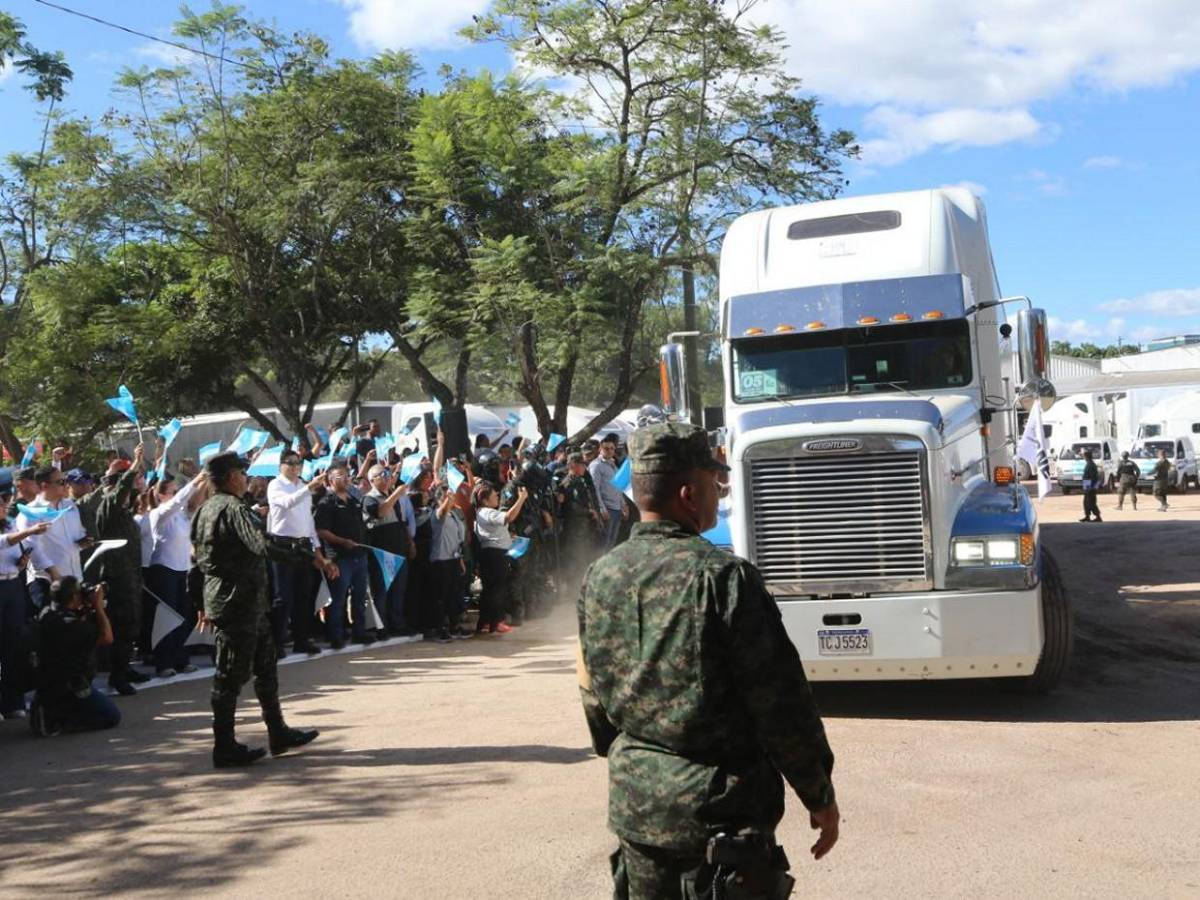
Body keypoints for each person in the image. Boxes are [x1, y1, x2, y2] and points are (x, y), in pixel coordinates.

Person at [577, 422, 838, 900]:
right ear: (687, 494)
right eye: (712, 483)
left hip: (639, 812)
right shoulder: (724, 578)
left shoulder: (600, 575)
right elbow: (779, 701)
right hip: (719, 816)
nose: (718, 493)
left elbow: (591, 691)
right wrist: (817, 792)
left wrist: (639, 762)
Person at [191, 451, 322, 768]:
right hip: (239, 603)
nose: (247, 478)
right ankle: (224, 746)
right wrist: (307, 556)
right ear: (231, 477)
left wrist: (200, 603)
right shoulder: (235, 509)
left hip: (237, 601)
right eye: (242, 473)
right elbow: (262, 544)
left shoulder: (204, 510)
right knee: (229, 677)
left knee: (266, 669)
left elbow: (194, 563)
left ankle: (278, 733)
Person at [30, 577, 121, 736]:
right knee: (112, 716)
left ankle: (48, 709)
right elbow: (107, 637)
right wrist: (98, 607)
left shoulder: (46, 613)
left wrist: (85, 608)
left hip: (46, 684)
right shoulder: (75, 626)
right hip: (69, 687)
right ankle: (59, 720)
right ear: (73, 598)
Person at [94, 446, 149, 696]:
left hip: (130, 575)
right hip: (118, 577)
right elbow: (119, 491)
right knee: (124, 625)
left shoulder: (123, 511)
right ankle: (117, 676)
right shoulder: (109, 507)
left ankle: (124, 668)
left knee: (131, 625)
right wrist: (135, 462)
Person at [266, 452, 333, 656]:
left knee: (303, 596)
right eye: (291, 463)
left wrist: (317, 550)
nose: (295, 467)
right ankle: (276, 643)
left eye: (298, 463)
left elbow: (308, 522)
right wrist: (309, 487)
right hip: (283, 545)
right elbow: (287, 503)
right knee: (282, 597)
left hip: (303, 545)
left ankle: (301, 640)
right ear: (281, 465)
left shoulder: (302, 485)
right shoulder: (276, 485)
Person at [147, 470, 208, 677]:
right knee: (168, 616)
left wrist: (204, 482)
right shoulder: (159, 513)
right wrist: (197, 478)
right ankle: (164, 663)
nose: (177, 494)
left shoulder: (181, 516)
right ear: (161, 495)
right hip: (164, 569)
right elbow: (178, 501)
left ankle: (181, 659)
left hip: (183, 569)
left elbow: (193, 502)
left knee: (183, 616)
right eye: (173, 491)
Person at [0, 489, 50, 719]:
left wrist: (21, 562)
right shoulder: (11, 532)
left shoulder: (9, 526)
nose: (3, 508)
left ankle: (13, 701)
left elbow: (11, 552)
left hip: (12, 586)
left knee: (14, 645)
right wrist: (29, 531)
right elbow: (3, 542)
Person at [16, 466, 91, 608]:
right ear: (45, 485)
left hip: (74, 580)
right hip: (48, 584)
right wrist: (55, 575)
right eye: (61, 482)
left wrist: (83, 542)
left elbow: (78, 535)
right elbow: (33, 550)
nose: (66, 485)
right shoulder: (30, 512)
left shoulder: (70, 506)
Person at [315, 463, 371, 649]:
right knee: (338, 599)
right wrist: (342, 541)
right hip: (339, 557)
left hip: (359, 555)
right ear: (331, 480)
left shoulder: (354, 499)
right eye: (340, 475)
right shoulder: (326, 502)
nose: (345, 478)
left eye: (346, 475)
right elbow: (322, 531)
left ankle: (359, 632)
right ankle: (336, 636)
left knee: (359, 596)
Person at [362, 462, 415, 638]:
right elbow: (380, 512)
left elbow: (402, 522)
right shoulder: (369, 498)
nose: (387, 479)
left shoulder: (394, 499)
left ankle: (397, 624)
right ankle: (380, 626)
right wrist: (395, 494)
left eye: (388, 475)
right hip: (381, 552)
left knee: (399, 590)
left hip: (399, 549)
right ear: (372, 480)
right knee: (381, 591)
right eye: (382, 476)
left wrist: (410, 542)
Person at [472, 481, 528, 634]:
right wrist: (521, 499)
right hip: (494, 556)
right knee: (496, 590)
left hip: (492, 554)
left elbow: (495, 530)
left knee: (490, 589)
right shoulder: (487, 512)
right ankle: (495, 622)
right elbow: (508, 517)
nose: (497, 496)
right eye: (493, 495)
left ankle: (486, 621)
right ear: (484, 499)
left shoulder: (483, 513)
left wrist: (509, 537)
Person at [556, 452, 603, 594]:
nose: (584, 467)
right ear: (573, 466)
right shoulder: (568, 483)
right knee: (575, 558)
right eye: (582, 464)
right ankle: (574, 590)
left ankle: (580, 587)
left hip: (584, 528)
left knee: (583, 557)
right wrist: (589, 512)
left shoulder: (580, 480)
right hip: (574, 528)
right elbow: (572, 508)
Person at [589, 435, 627, 550]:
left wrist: (623, 504)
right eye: (606, 448)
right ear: (600, 448)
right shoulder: (596, 466)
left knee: (611, 542)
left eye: (612, 448)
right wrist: (601, 508)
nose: (610, 451)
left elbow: (617, 486)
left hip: (616, 509)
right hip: (607, 509)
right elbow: (594, 489)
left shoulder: (613, 464)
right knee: (603, 544)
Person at [1080, 450, 1102, 523]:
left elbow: (1094, 477)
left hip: (1090, 484)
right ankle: (1087, 516)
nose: (1083, 457)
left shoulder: (1091, 464)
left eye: (1084, 456)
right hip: (1087, 484)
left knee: (1091, 502)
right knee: (1086, 502)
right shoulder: (1089, 463)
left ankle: (1098, 516)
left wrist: (1092, 486)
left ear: (1086, 457)